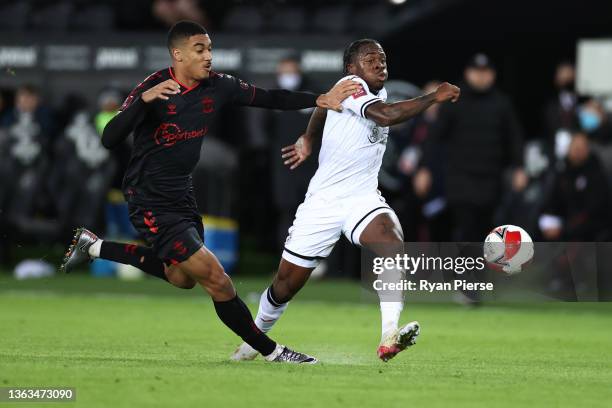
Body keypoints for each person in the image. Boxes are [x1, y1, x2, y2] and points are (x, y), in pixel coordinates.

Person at [60, 20, 361, 364]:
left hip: (182, 195)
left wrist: (320, 98)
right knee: (218, 280)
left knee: (181, 278)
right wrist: (142, 102)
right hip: (149, 199)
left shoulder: (219, 86)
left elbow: (270, 97)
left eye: (210, 49)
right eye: (200, 49)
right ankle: (273, 352)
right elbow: (109, 137)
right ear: (178, 54)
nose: (208, 56)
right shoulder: (154, 87)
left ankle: (94, 246)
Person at [231, 38, 460, 362]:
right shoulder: (351, 86)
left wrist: (309, 138)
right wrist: (434, 96)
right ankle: (252, 341)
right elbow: (385, 115)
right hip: (324, 202)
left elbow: (324, 106)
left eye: (382, 59)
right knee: (285, 285)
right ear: (351, 68)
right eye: (370, 59)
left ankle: (388, 336)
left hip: (361, 198)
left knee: (392, 243)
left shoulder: (370, 90)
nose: (380, 64)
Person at [416, 53, 526, 242]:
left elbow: (515, 138)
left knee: (488, 234)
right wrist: (424, 169)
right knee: (465, 231)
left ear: (493, 75)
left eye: (486, 72)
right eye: (477, 71)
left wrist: (519, 167)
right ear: (468, 73)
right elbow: (434, 137)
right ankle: (464, 271)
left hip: (491, 180)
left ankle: (479, 271)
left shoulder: (502, 103)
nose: (481, 76)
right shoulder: (454, 101)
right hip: (461, 181)